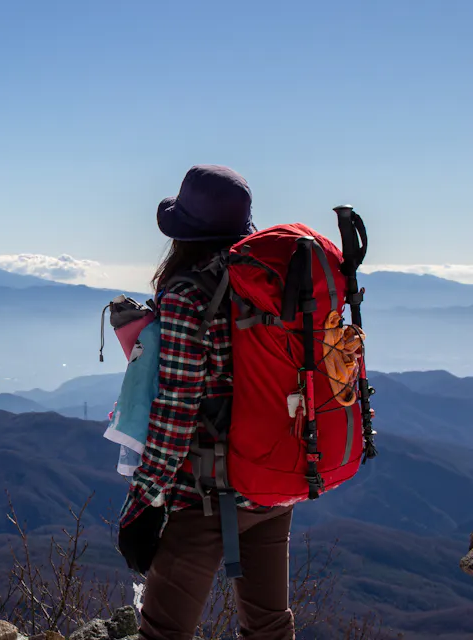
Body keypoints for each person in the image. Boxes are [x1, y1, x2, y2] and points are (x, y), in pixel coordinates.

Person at [122, 165, 296, 640]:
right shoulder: (274, 284)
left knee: (163, 629)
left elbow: (176, 414)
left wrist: (142, 502)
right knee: (269, 626)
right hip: (272, 478)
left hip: (207, 493)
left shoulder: (187, 297)